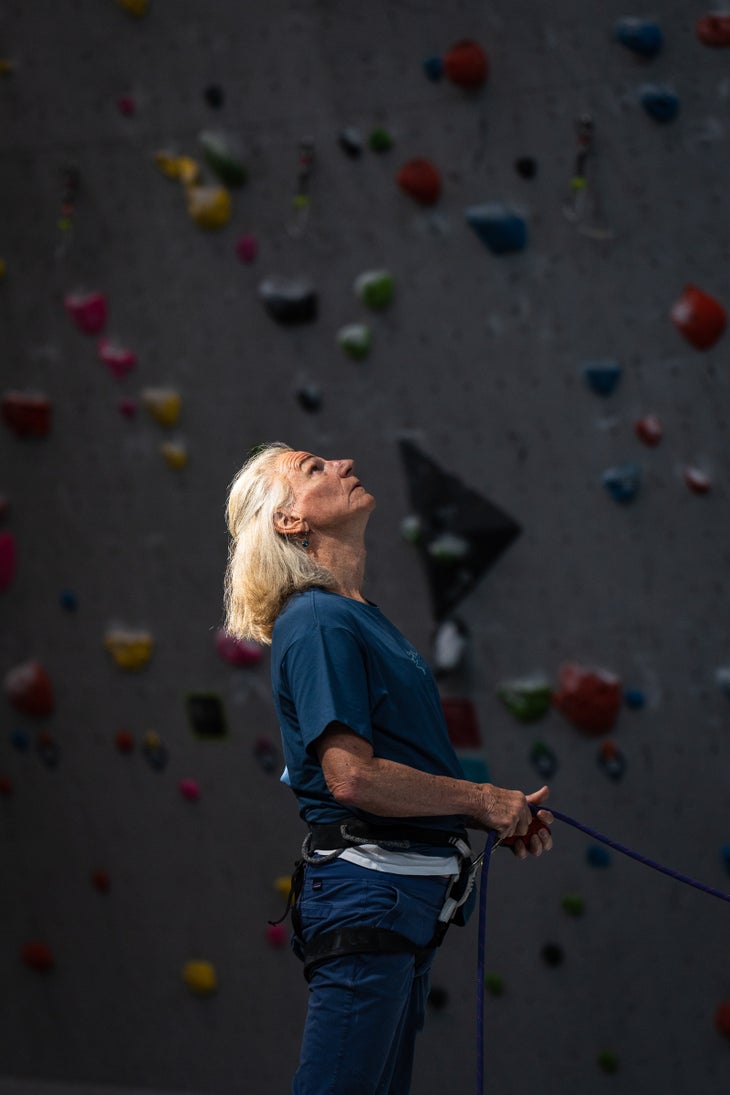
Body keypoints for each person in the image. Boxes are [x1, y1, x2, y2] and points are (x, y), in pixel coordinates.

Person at [224, 442, 553, 1095]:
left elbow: (395, 763)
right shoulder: (319, 619)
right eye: (314, 469)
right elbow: (353, 777)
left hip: (399, 902)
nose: (343, 463)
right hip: (369, 896)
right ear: (289, 521)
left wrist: (484, 808)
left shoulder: (352, 615)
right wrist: (484, 800)